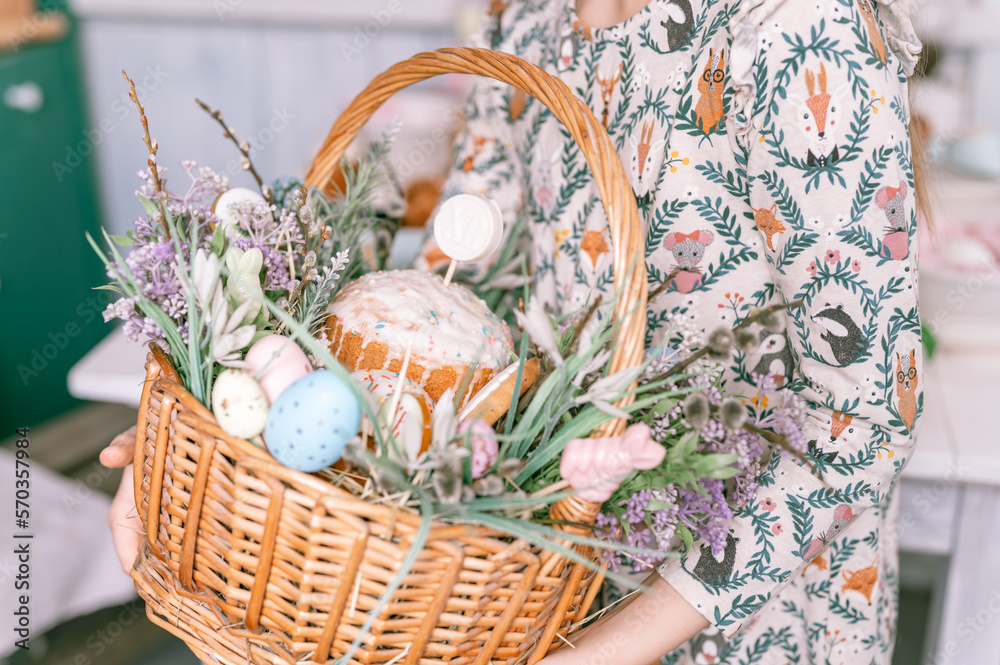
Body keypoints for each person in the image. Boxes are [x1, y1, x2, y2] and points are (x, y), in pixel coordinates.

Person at [103, 0, 924, 662]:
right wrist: (214, 438)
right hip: (545, 586)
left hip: (741, 623)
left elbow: (862, 419)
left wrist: (597, 653)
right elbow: (457, 297)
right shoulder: (525, 18)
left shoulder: (796, 31)